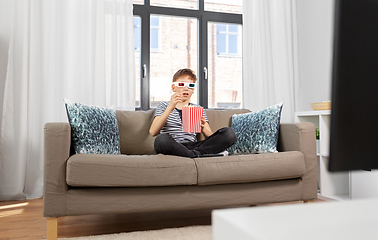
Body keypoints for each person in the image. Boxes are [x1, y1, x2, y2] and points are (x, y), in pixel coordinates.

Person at [149, 68, 237, 158]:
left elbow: (211, 137)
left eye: (190, 85)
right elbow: (153, 132)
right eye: (181, 84)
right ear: (173, 87)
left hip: (194, 146)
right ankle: (197, 156)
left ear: (193, 90)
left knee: (229, 133)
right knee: (161, 139)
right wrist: (170, 108)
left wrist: (203, 128)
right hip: (173, 145)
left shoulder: (198, 108)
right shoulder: (164, 105)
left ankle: (193, 155)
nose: (186, 88)